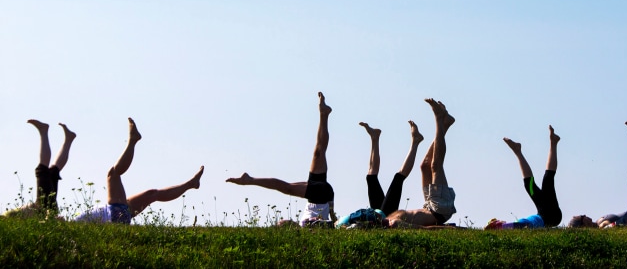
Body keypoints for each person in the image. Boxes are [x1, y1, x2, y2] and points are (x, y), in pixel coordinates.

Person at [227, 91, 336, 226]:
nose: (283, 221)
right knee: (286, 187)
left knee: (318, 152)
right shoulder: (307, 228)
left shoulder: (303, 224)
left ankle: (323, 114)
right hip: (320, 195)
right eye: (283, 223)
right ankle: (249, 180)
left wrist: (331, 209)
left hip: (317, 193)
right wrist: (332, 212)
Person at [75, 118, 204, 224]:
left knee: (152, 194)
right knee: (113, 174)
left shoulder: (73, 223)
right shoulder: (73, 226)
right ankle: (132, 141)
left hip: (118, 213)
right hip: (114, 212)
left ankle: (191, 183)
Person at [336, 120, 425, 228]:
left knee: (371, 177)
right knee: (398, 178)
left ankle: (375, 138)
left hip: (375, 212)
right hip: (384, 217)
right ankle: (415, 142)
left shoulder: (337, 225)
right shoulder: (344, 227)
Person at [385, 98, 456, 228]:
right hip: (439, 210)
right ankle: (439, 118)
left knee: (424, 165)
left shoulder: (385, 218)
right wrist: (449, 228)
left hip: (429, 205)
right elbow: (424, 229)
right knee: (436, 165)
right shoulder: (393, 225)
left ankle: (445, 125)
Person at [485, 125, 562, 229]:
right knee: (548, 180)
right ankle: (553, 143)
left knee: (529, 184)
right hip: (550, 216)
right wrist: (501, 227)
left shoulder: (516, 223)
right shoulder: (516, 224)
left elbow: (517, 225)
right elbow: (519, 225)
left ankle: (518, 151)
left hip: (545, 214)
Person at [4, 120, 77, 218]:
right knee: (42, 170)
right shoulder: (9, 221)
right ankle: (43, 131)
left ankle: (68, 140)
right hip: (43, 209)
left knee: (53, 172)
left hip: (45, 211)